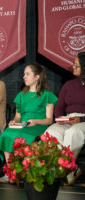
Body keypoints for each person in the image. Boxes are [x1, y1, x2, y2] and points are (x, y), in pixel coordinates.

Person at [0, 63, 57, 183]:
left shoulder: (47, 95)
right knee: (7, 134)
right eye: (24, 74)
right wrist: (14, 121)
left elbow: (49, 119)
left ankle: (23, 172)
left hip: (38, 126)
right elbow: (18, 116)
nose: (24, 76)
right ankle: (11, 173)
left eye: (27, 74)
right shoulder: (21, 94)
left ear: (37, 77)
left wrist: (35, 121)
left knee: (24, 136)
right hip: (23, 124)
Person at [45, 51, 85, 185]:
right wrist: (60, 118)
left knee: (73, 133)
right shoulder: (69, 85)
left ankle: (68, 170)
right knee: (51, 132)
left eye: (77, 65)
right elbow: (59, 108)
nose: (73, 67)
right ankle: (61, 169)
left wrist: (81, 120)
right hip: (68, 119)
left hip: (83, 121)